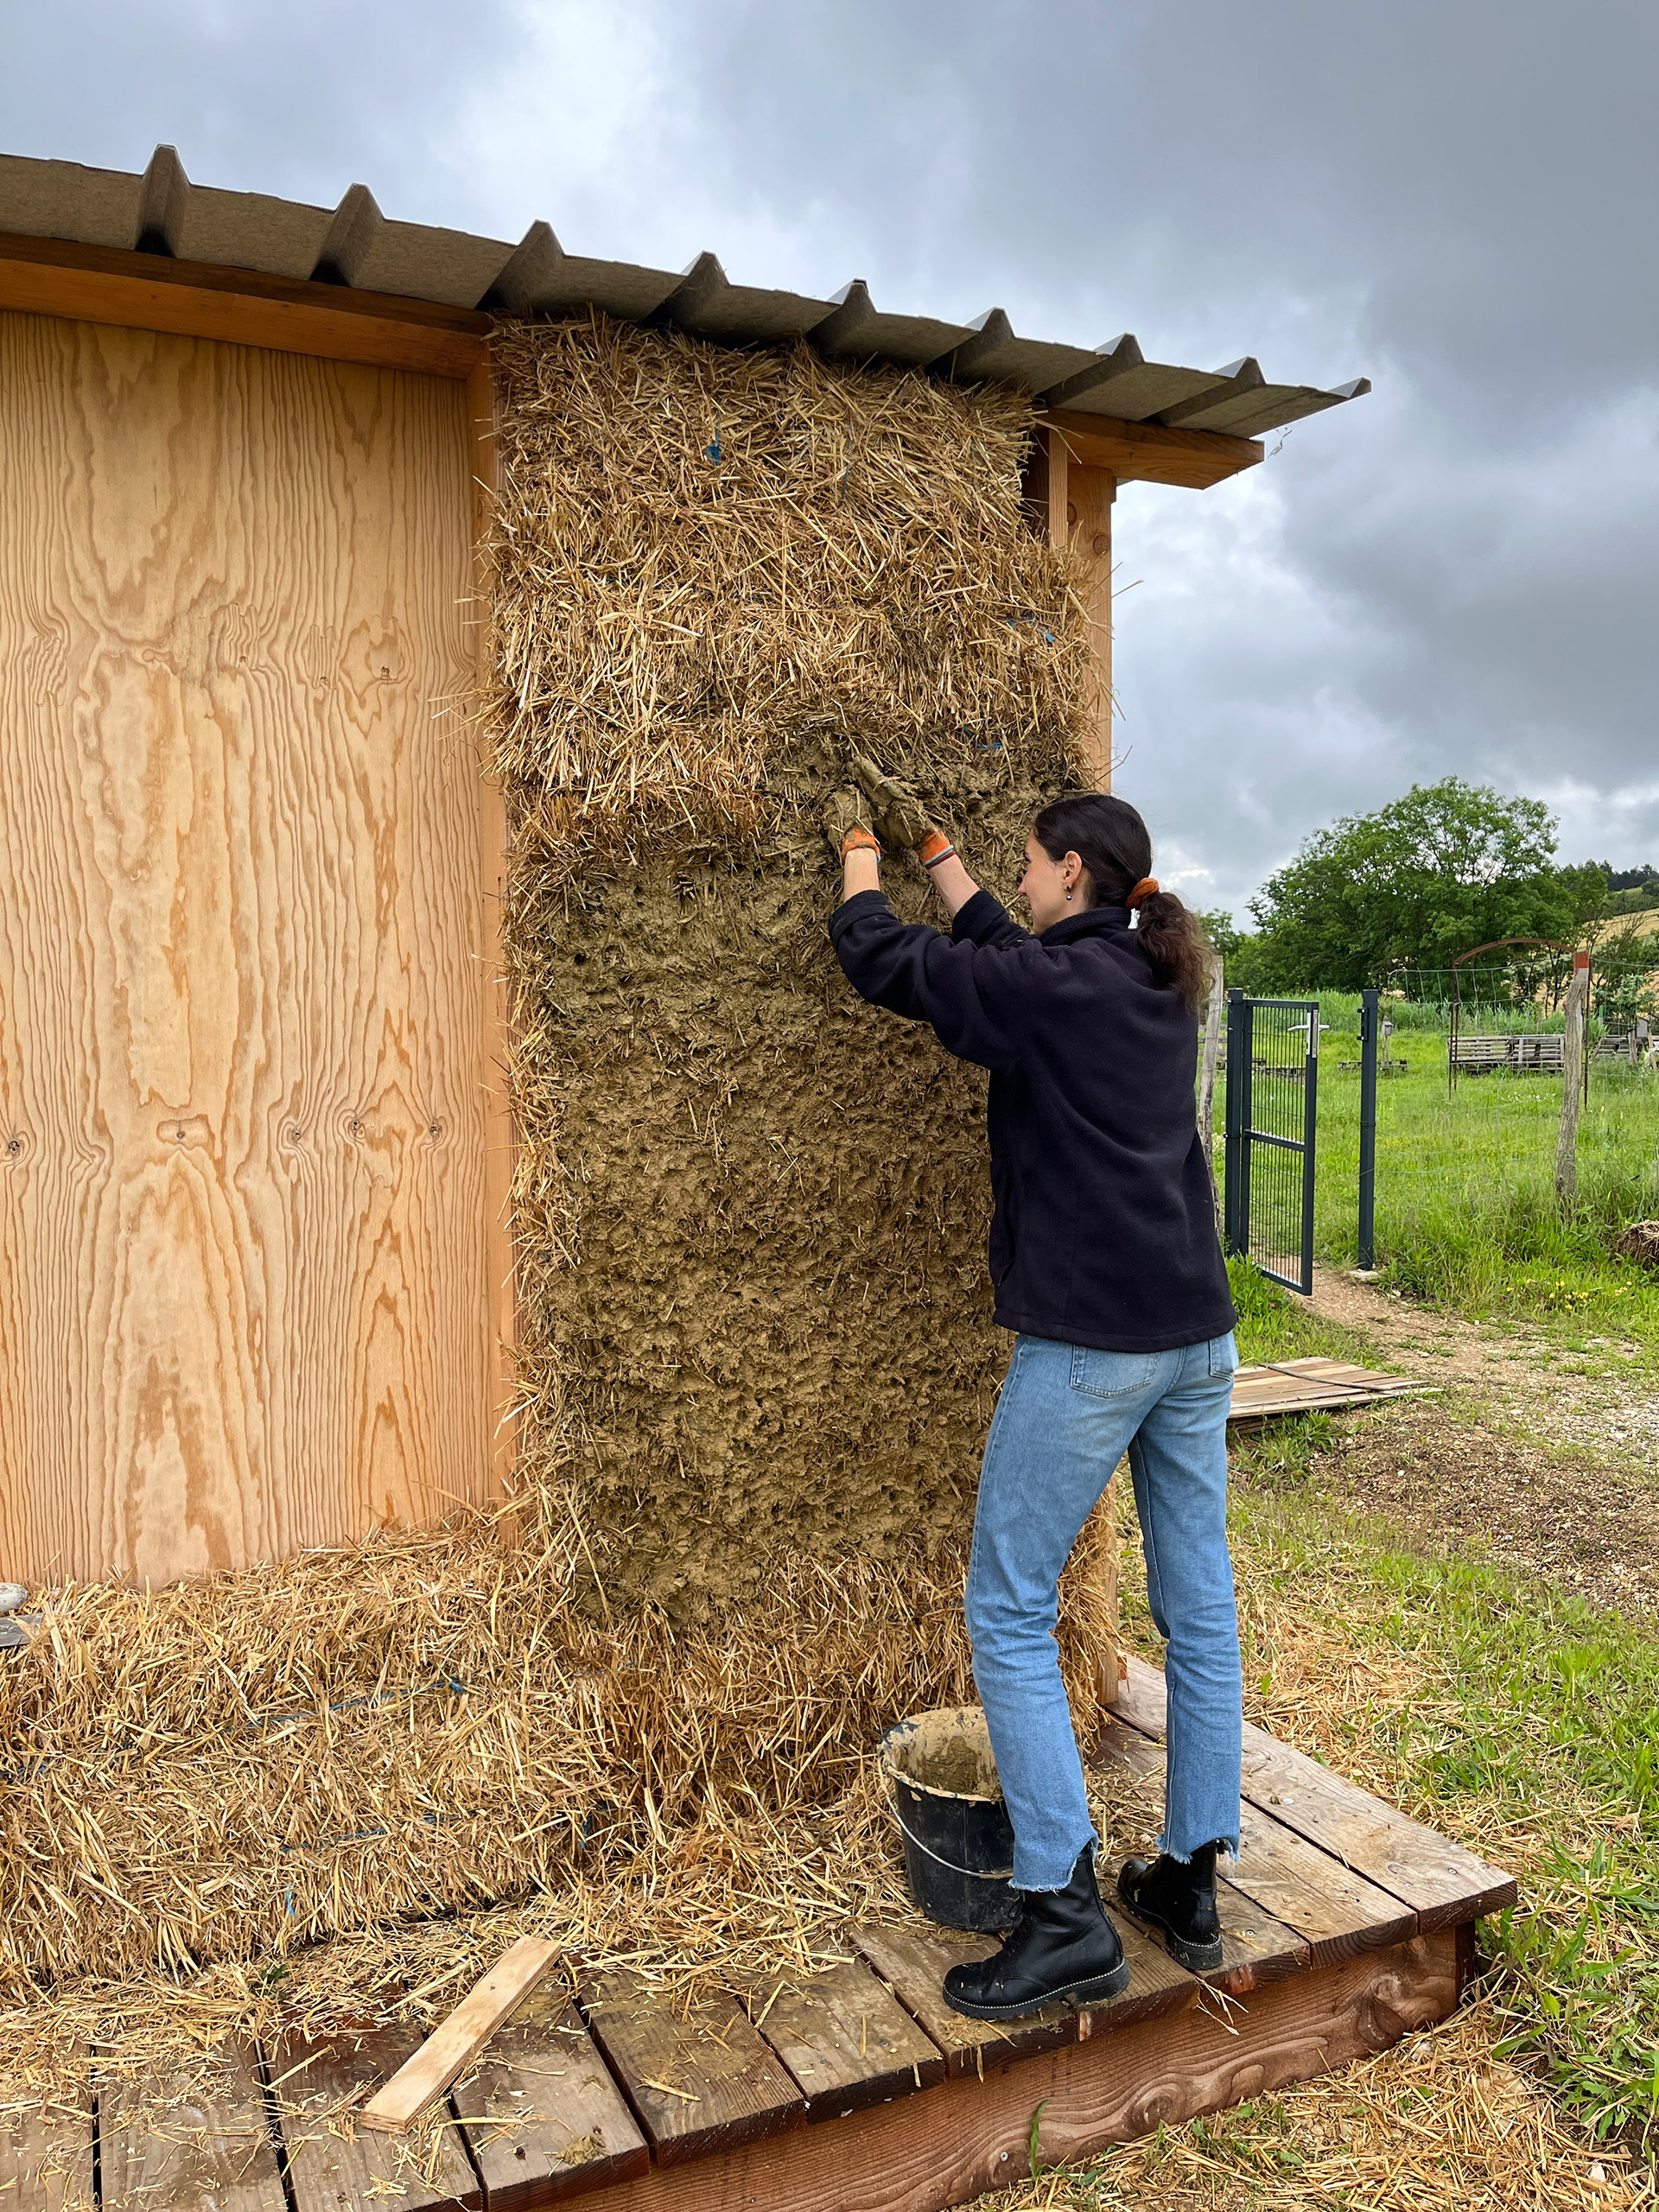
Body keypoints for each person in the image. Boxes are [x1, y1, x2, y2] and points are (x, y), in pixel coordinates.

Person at [826, 762, 1242, 2022]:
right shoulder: (1152, 973)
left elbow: (891, 964)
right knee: (1198, 1604)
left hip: (1096, 1346)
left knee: (1006, 1606)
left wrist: (859, 860)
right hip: (1196, 1338)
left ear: (1074, 873)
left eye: (1024, 859)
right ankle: (1190, 1879)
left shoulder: (1060, 989)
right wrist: (944, 855)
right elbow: (1011, 952)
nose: (1012, 878)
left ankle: (1061, 1912)